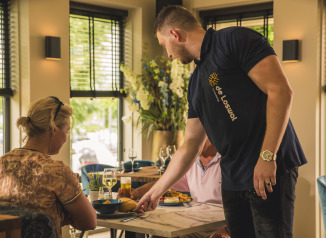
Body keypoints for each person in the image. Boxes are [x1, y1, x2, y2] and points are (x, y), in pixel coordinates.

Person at [135, 5, 307, 238]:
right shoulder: (195, 82)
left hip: (268, 169)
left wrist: (267, 156)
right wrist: (156, 191)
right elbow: (191, 145)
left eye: (165, 45)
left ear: (175, 35)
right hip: (233, 176)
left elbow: (281, 91)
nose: (168, 54)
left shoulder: (235, 40)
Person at [0, 96, 96, 238]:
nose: (66, 137)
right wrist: (62, 216)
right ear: (54, 129)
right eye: (67, 131)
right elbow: (89, 222)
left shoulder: (2, 163)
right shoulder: (57, 172)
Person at [119, 138, 229, 238]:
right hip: (192, 226)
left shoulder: (228, 159)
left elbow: (243, 202)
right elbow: (164, 184)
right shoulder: (189, 162)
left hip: (219, 229)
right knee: (159, 234)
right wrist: (136, 193)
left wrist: (228, 229)